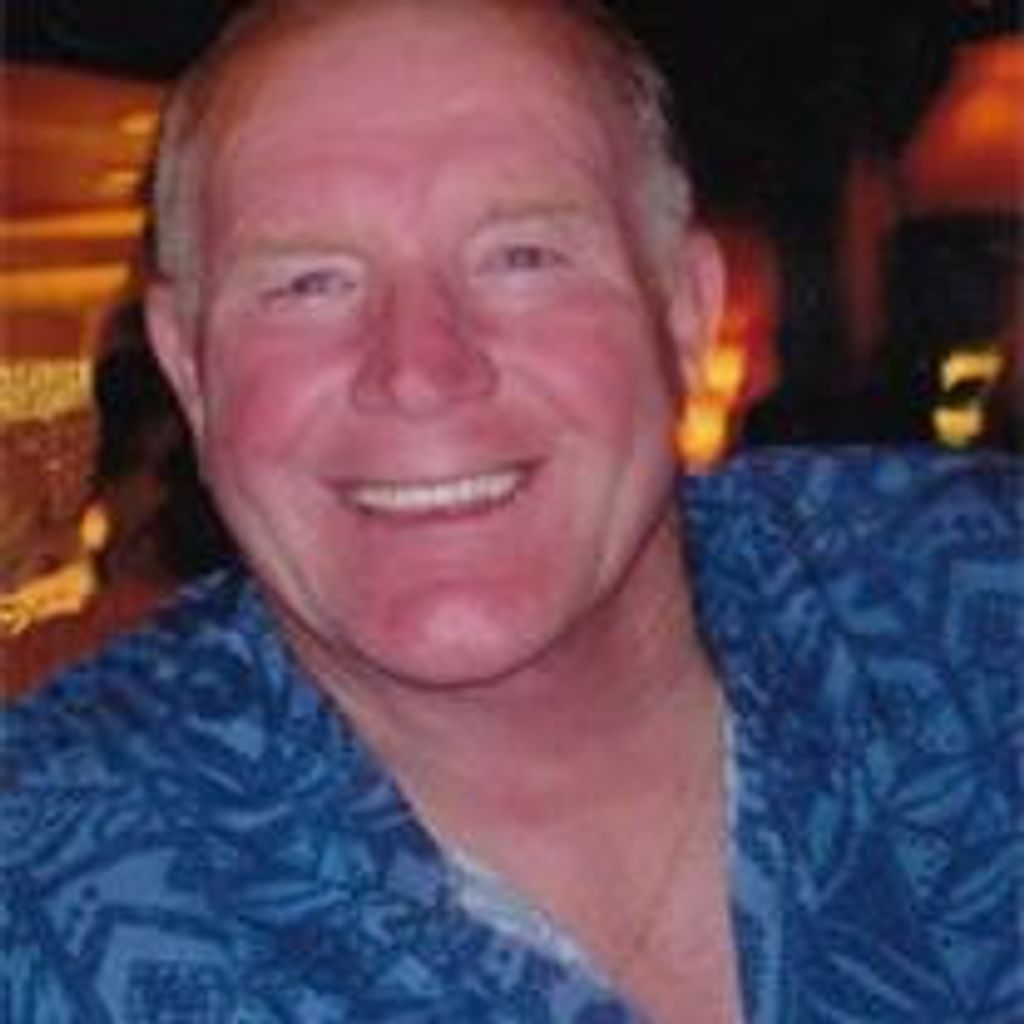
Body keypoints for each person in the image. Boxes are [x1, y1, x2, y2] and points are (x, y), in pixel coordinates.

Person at [2, 2, 1019, 1021]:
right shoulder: (35, 895)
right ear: (189, 367)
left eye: (521, 256)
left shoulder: (976, 601)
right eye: (310, 282)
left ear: (682, 316)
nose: (419, 368)